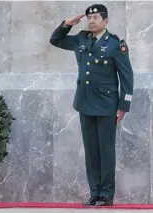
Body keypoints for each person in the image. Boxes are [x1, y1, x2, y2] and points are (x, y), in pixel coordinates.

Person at [49, 4, 134, 206]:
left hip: (107, 104)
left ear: (106, 21)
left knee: (106, 150)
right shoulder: (81, 38)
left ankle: (106, 194)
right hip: (85, 103)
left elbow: (127, 76)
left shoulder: (115, 44)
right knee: (91, 151)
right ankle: (94, 192)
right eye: (89, 17)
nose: (92, 20)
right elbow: (55, 40)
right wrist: (66, 25)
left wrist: (124, 106)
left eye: (96, 17)